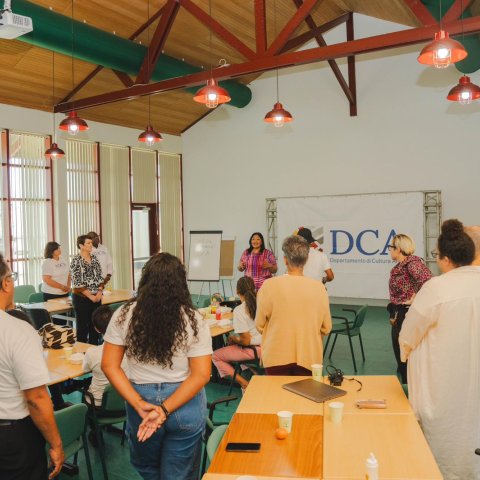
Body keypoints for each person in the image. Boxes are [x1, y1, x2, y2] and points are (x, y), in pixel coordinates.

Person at [101, 253, 212, 480]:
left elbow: (109, 366)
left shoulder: (124, 314)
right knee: (179, 474)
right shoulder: (193, 318)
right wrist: (164, 410)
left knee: (148, 469)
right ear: (181, 283)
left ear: (145, 280)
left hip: (141, 401)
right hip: (184, 402)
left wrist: (138, 403)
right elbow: (201, 375)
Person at [399, 219, 479, 480]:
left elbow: (409, 335)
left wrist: (405, 353)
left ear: (445, 259)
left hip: (443, 380)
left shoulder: (436, 288)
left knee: (444, 442)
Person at [0, 254, 64, 479]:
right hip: (12, 436)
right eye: (12, 277)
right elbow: (36, 398)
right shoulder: (18, 331)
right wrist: (56, 444)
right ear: (5, 283)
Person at [255, 235, 331, 375]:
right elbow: (326, 328)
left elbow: (259, 324)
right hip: (309, 358)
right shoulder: (319, 288)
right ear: (306, 259)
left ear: (285, 260)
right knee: (306, 390)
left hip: (275, 357)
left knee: (275, 390)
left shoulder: (269, 286)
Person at [386, 233, 431, 384]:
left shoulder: (412, 264)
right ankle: (407, 382)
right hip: (398, 311)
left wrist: (415, 298)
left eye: (391, 247)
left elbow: (428, 282)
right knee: (399, 349)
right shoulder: (401, 265)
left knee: (404, 350)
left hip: (407, 312)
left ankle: (409, 385)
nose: (389, 250)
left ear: (398, 249)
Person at [212, 276, 261, 391]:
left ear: (237, 291)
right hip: (268, 347)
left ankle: (245, 384)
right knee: (233, 346)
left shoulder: (240, 310)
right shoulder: (262, 304)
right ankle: (252, 371)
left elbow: (245, 341)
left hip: (255, 350)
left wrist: (234, 339)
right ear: (254, 288)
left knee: (215, 356)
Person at [83, 305, 128, 407]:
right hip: (126, 399)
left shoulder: (91, 352)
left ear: (97, 329)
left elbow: (85, 369)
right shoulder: (130, 349)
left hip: (97, 403)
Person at [70, 234, 104, 344]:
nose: (91, 245)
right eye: (88, 243)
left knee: (94, 326)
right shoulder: (76, 260)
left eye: (91, 243)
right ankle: (82, 351)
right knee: (82, 327)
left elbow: (100, 277)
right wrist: (90, 296)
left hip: (96, 297)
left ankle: (93, 349)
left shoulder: (94, 258)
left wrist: (99, 292)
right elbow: (77, 281)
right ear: (81, 245)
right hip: (81, 298)